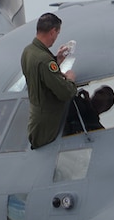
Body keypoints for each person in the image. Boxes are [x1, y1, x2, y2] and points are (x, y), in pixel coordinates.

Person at [21, 12, 77, 148]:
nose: (56, 38)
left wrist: (56, 60)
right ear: (52, 32)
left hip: (36, 119)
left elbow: (40, 77)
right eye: (57, 33)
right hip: (47, 125)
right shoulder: (45, 60)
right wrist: (70, 80)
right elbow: (65, 93)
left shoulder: (28, 52)